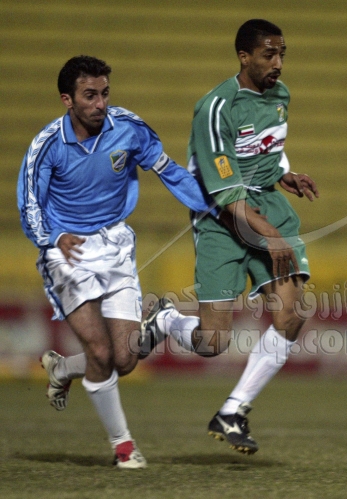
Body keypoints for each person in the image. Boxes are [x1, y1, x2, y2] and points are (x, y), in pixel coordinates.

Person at [16, 55, 216, 469]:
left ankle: (65, 367)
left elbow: (171, 172)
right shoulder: (46, 146)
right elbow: (29, 206)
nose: (100, 104)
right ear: (67, 100)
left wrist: (215, 208)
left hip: (115, 246)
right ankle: (123, 446)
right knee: (100, 350)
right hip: (68, 254)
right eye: (90, 95)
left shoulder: (128, 129)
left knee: (123, 360)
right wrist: (53, 237)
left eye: (105, 93)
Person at [140, 19, 319, 455]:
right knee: (212, 342)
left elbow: (266, 149)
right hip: (221, 216)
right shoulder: (215, 107)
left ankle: (233, 411)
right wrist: (271, 236)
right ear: (244, 57)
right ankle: (165, 321)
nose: (278, 63)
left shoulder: (280, 95)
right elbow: (226, 192)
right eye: (268, 55)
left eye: (282, 54)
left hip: (266, 205)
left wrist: (284, 174)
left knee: (292, 315)